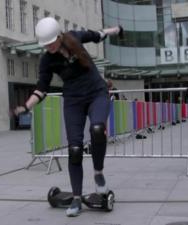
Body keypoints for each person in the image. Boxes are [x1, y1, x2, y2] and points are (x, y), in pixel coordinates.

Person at [13, 17, 123, 217]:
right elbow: (42, 88)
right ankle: (77, 199)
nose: (49, 47)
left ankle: (98, 174)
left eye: (51, 43)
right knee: (74, 148)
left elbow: (98, 34)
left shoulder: (74, 38)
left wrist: (115, 30)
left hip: (96, 92)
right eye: (45, 45)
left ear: (59, 36)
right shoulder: (47, 59)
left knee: (97, 129)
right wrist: (26, 106)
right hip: (73, 100)